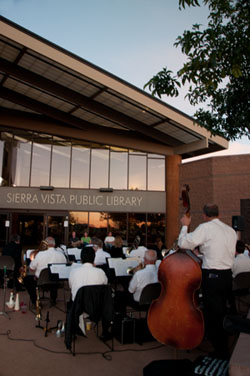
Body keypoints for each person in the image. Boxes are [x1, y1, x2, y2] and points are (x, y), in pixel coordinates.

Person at [178, 203, 237, 359]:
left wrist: (185, 226)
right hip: (227, 276)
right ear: (218, 214)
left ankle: (220, 350)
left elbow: (183, 244)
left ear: (205, 215)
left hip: (212, 276)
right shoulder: (230, 230)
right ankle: (223, 344)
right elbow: (221, 251)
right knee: (223, 311)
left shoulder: (206, 228)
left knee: (213, 314)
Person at [23, 236, 67, 305]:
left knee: (26, 279)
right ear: (54, 244)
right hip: (56, 283)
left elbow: (31, 269)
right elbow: (64, 268)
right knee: (54, 274)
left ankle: (36, 302)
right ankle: (53, 299)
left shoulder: (40, 254)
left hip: (41, 282)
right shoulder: (61, 255)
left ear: (45, 244)